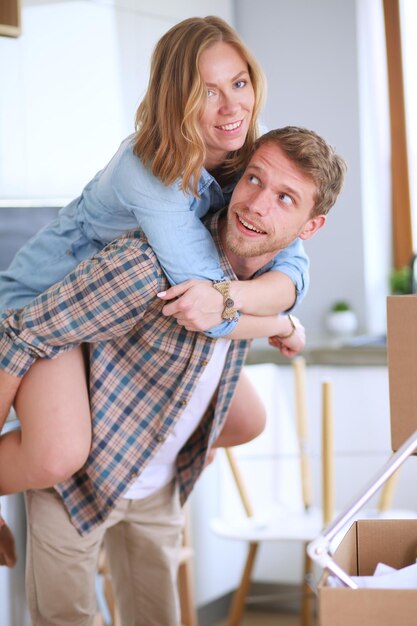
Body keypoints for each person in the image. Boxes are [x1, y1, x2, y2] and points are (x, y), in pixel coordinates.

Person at [0, 127, 346, 625]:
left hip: (159, 484)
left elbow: (229, 317)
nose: (256, 205)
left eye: (284, 197)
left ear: (309, 227)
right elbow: (22, 334)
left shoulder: (269, 278)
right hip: (79, 485)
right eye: (253, 179)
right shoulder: (144, 265)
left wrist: (281, 320)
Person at [0, 15, 309, 497]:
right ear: (177, 99)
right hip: (51, 301)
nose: (232, 106)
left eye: (239, 82)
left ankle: (137, 481)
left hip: (128, 309)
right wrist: (280, 324)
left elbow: (290, 261)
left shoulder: (246, 139)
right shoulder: (148, 171)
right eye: (207, 91)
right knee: (56, 454)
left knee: (246, 419)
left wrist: (274, 305)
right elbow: (209, 309)